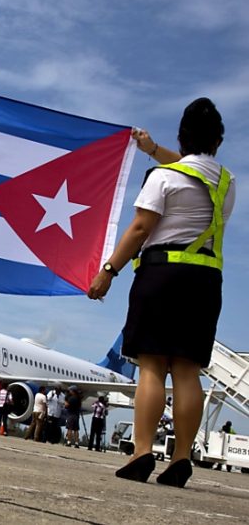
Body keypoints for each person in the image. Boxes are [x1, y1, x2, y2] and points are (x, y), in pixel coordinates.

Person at [89, 98, 235, 488]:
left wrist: (108, 271)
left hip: (162, 275)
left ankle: (142, 452)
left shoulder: (163, 178)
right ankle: (181, 457)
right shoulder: (226, 184)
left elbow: (139, 229)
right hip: (205, 282)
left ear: (180, 137)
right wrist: (153, 150)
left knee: (152, 365)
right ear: (218, 141)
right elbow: (193, 168)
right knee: (187, 370)